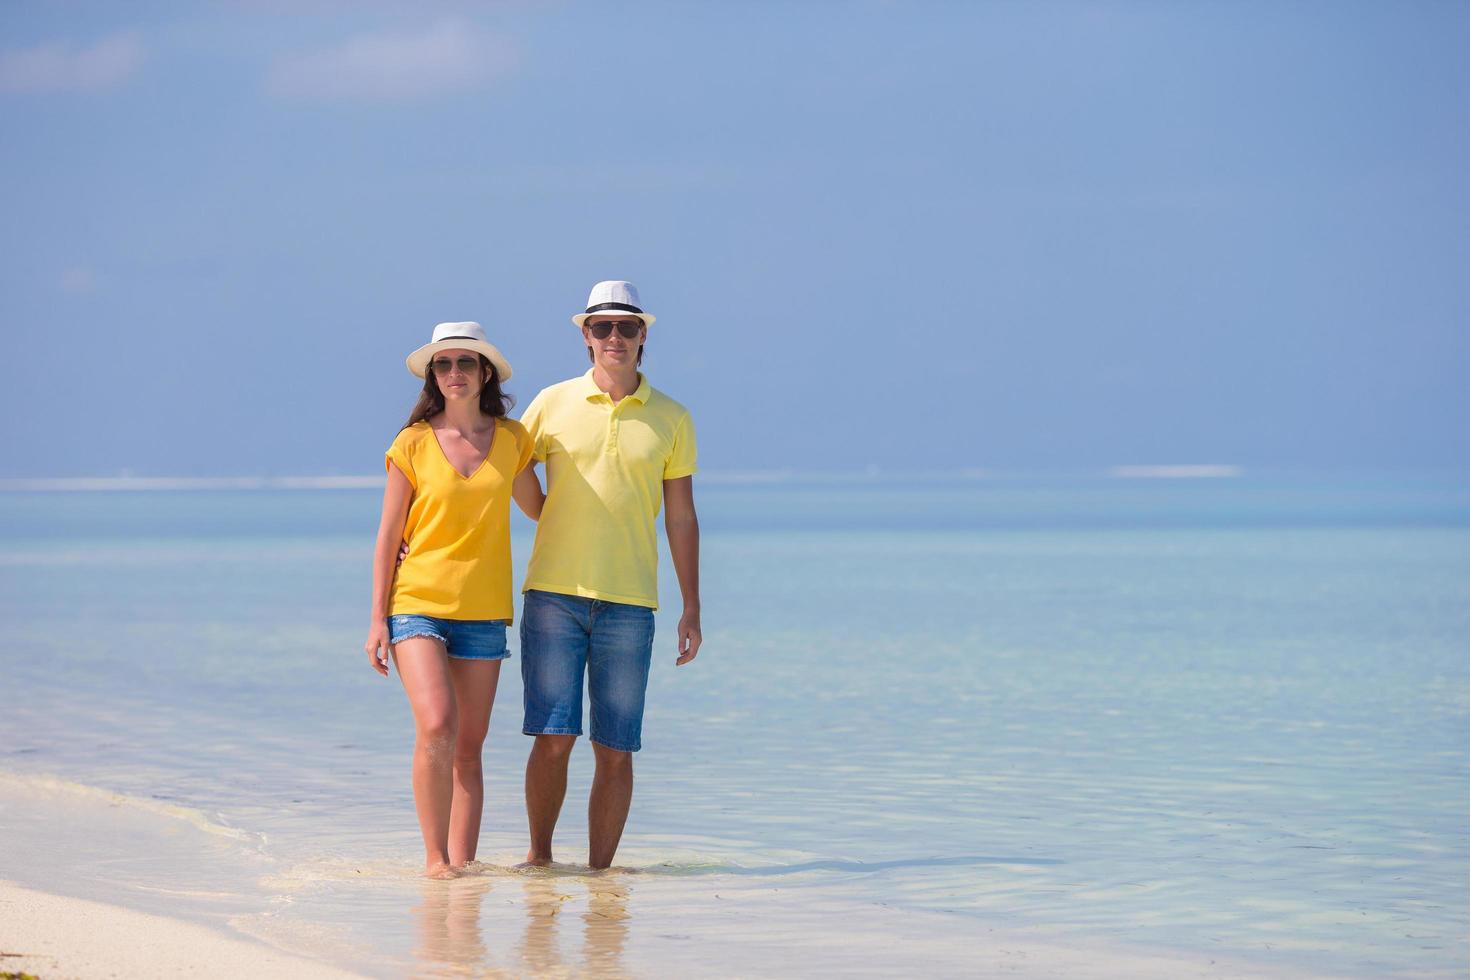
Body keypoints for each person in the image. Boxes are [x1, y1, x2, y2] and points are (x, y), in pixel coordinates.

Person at [510, 280, 702, 870]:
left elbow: (681, 515)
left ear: (644, 336)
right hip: (553, 597)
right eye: (602, 327)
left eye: (626, 327)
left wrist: (691, 605)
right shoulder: (551, 402)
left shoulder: (672, 416)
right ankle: (539, 861)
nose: (614, 337)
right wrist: (549, 512)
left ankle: (601, 878)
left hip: (629, 603)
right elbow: (513, 468)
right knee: (552, 737)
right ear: (585, 337)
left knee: (616, 748)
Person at [364, 321, 534, 877]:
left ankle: (463, 865)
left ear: (486, 372)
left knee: (470, 744)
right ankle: (435, 860)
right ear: (433, 377)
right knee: (437, 723)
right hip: (416, 602)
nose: (454, 373)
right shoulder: (411, 443)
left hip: (485, 611)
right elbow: (389, 535)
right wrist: (376, 620)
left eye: (465, 363)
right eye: (443, 364)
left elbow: (543, 508)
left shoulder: (512, 441)